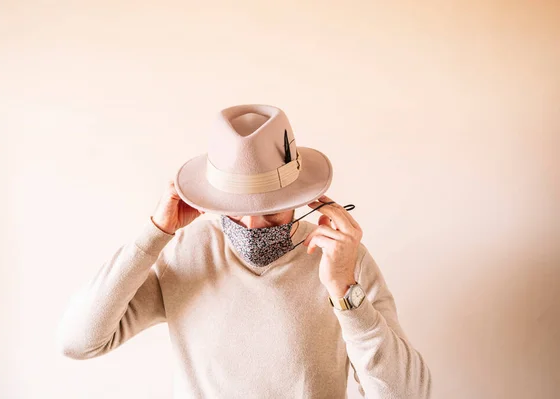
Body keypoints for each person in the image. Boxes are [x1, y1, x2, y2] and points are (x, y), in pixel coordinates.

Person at [57, 104, 432, 398]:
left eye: (268, 209)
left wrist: (345, 291)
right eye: (236, 208)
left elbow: (408, 395)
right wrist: (154, 235)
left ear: (302, 198)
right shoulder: (187, 253)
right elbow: (78, 342)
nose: (252, 226)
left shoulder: (343, 259)